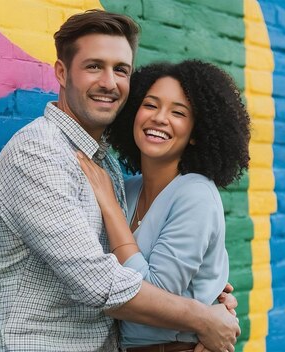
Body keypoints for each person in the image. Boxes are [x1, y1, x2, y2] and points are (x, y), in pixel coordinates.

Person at [0, 10, 239, 352]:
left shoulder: (105, 167)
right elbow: (99, 283)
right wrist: (201, 317)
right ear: (62, 72)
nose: (109, 82)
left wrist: (206, 291)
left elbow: (135, 272)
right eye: (94, 66)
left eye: (121, 70)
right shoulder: (39, 153)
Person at [76, 60, 251, 351]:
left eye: (178, 112)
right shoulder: (127, 190)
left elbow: (156, 296)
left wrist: (109, 206)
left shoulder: (195, 193)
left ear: (196, 132)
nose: (159, 118)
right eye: (150, 105)